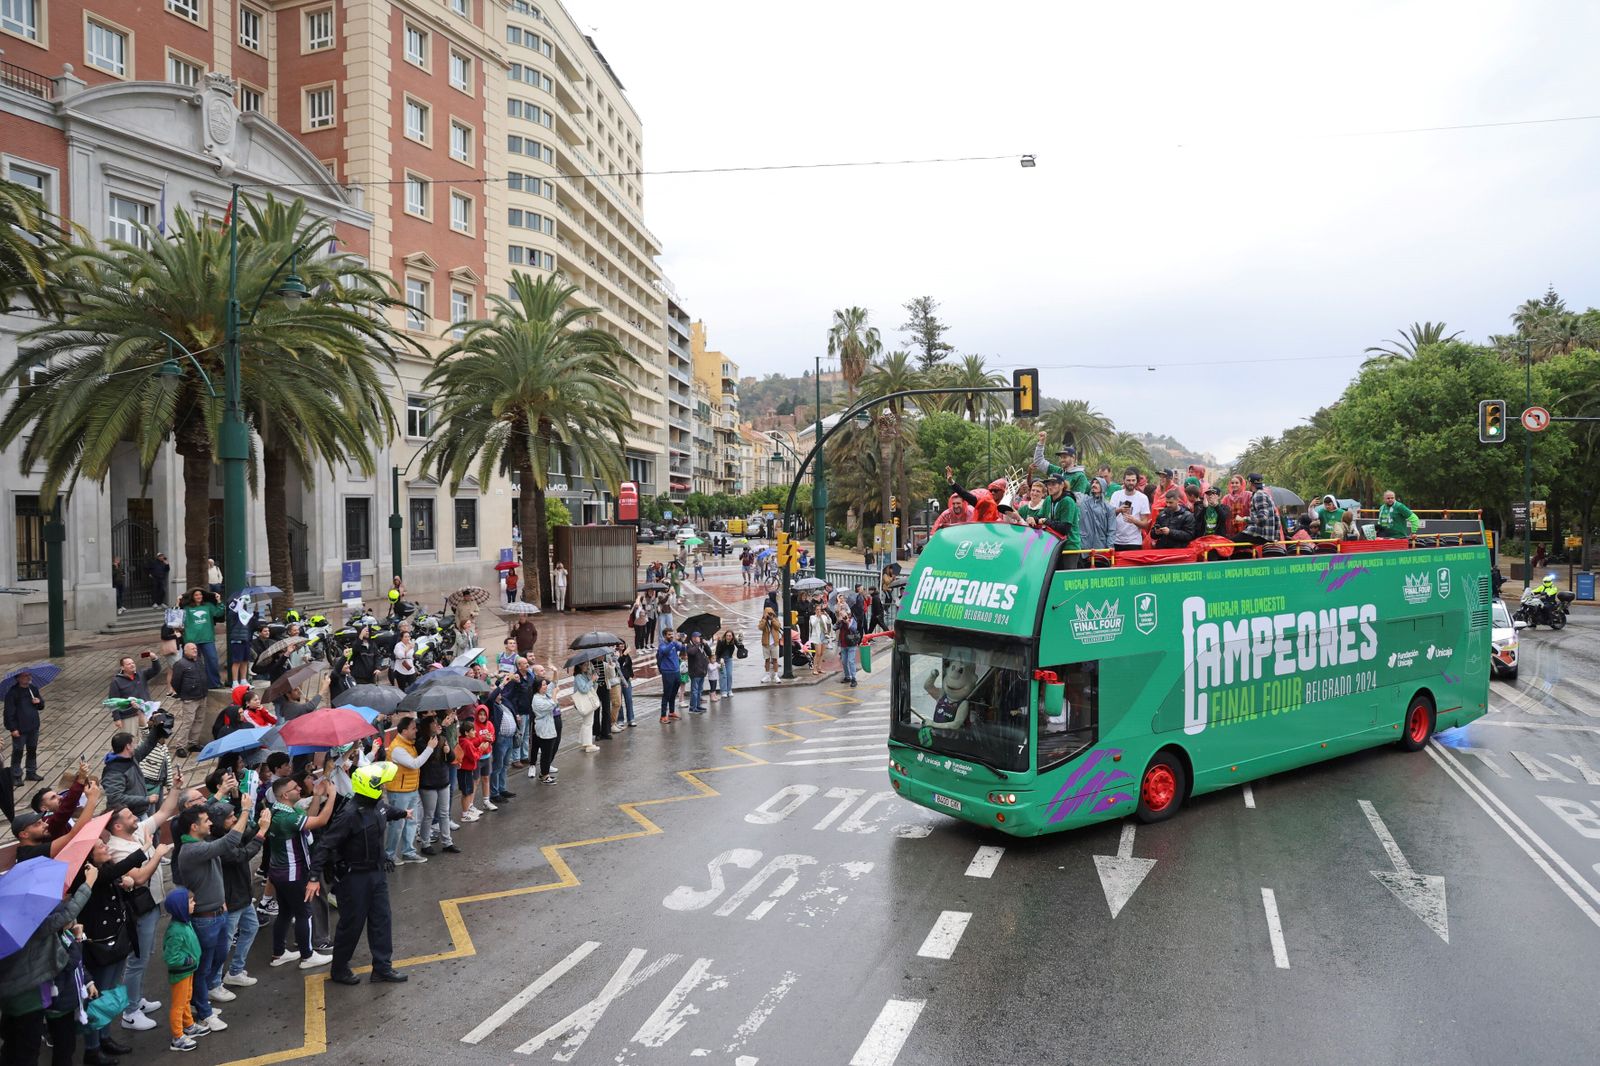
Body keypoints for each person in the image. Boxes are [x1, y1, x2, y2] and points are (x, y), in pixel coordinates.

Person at [307, 761, 412, 987]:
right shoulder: (349, 814)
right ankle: (340, 968)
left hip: (376, 873)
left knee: (382, 919)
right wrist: (314, 878)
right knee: (352, 924)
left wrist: (404, 813)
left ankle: (382, 968)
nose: (383, 789)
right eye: (380, 785)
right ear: (369, 787)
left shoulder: (377, 805)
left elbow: (387, 812)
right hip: (354, 878)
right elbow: (324, 845)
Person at [173, 802, 267, 1033]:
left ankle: (200, 1003)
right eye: (206, 821)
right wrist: (246, 811)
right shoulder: (193, 850)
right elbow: (230, 842)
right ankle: (204, 1013)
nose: (211, 823)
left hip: (217, 912)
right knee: (203, 968)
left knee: (214, 961)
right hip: (205, 920)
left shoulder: (201, 844)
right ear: (194, 827)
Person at [75, 834, 143, 1063]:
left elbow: (114, 887)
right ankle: (92, 1049)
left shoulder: (106, 870)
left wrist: (127, 886)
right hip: (99, 944)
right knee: (98, 997)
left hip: (116, 939)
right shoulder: (90, 875)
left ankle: (105, 1038)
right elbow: (106, 878)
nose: (105, 846)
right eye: (100, 845)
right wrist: (143, 851)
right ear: (89, 855)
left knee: (111, 991)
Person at [266, 774, 338, 966]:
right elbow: (320, 821)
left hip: (279, 873)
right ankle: (307, 955)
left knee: (285, 913)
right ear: (284, 796)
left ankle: (279, 953)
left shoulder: (279, 811)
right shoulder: (286, 818)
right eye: (294, 788)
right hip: (293, 873)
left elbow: (308, 819)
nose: (299, 789)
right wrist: (332, 796)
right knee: (304, 913)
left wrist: (316, 796)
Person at [161, 887, 208, 1052]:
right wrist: (188, 960)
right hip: (181, 972)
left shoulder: (183, 922)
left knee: (186, 999)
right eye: (190, 901)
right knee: (179, 1004)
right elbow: (171, 958)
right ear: (181, 906)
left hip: (187, 971)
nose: (194, 903)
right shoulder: (176, 930)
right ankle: (177, 1036)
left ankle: (188, 1026)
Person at [383, 716, 433, 860]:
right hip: (399, 792)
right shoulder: (398, 747)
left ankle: (408, 852)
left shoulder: (408, 743)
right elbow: (414, 764)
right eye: (413, 728)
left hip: (410, 789)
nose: (416, 730)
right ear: (404, 731)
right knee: (397, 824)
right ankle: (390, 855)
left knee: (411, 822)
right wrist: (430, 748)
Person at [169, 642, 212, 756]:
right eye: (192, 649)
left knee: (199, 720)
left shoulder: (198, 660)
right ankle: (180, 746)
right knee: (188, 722)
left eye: (195, 648)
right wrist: (183, 693)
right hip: (190, 698)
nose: (195, 650)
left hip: (202, 696)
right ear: (185, 650)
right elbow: (175, 682)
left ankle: (193, 743)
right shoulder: (180, 664)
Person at [181, 588, 227, 688]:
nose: (199, 597)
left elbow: (219, 613)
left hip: (207, 638)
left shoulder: (208, 606)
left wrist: (219, 601)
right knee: (193, 663)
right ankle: (197, 684)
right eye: (196, 595)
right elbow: (176, 616)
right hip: (192, 640)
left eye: (200, 594)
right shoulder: (187, 608)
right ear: (192, 597)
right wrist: (177, 602)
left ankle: (214, 683)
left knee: (212, 660)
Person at [4, 669, 42, 786]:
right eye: (25, 676)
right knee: (18, 751)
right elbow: (8, 712)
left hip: (33, 726)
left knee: (32, 750)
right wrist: (12, 728)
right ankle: (16, 775)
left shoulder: (33, 689)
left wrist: (39, 702)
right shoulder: (13, 693)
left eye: (29, 675)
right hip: (20, 728)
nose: (28, 678)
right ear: (18, 678)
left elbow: (41, 706)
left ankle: (31, 772)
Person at [109, 654, 163, 726]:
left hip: (146, 713)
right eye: (128, 664)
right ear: (122, 667)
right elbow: (113, 701)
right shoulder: (116, 681)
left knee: (148, 736)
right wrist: (117, 718)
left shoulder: (141, 674)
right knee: (132, 737)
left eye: (133, 663)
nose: (132, 665)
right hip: (129, 716)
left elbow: (156, 670)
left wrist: (154, 659)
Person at [1107, 468, 1153, 550]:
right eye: (1128, 480)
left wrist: (1134, 520)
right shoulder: (1116, 495)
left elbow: (1145, 525)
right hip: (1116, 540)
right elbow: (1108, 516)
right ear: (1123, 480)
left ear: (1136, 481)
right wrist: (1119, 510)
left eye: (1133, 480)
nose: (1131, 483)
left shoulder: (1143, 498)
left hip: (1134, 542)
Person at [1239, 473, 1285, 551]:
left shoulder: (1258, 495)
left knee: (1229, 544)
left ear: (1250, 483)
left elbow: (1262, 518)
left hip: (1260, 534)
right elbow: (1276, 517)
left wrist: (1243, 519)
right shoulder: (1264, 494)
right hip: (1266, 535)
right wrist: (1275, 536)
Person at [528, 674, 560, 783]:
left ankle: (544, 773)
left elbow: (553, 685)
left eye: (546, 684)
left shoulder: (544, 694)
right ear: (538, 687)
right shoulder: (537, 699)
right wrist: (555, 695)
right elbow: (551, 705)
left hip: (549, 727)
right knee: (546, 753)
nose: (546, 686)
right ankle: (544, 775)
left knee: (548, 751)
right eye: (544, 685)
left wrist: (555, 672)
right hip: (544, 729)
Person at [1077, 476, 1115, 552]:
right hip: (1083, 547)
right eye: (1093, 483)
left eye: (1097, 483)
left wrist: (1109, 548)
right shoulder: (1083, 501)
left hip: (1100, 547)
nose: (1094, 485)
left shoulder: (1109, 508)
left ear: (1103, 486)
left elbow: (1111, 530)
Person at [656, 629, 684, 719]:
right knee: (666, 694)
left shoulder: (674, 643)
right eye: (669, 635)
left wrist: (682, 640)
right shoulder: (662, 645)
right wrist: (673, 642)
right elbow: (665, 652)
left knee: (673, 693)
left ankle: (671, 712)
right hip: (667, 672)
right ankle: (663, 716)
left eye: (672, 634)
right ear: (664, 636)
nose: (671, 636)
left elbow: (683, 648)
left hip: (676, 672)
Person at [685, 631, 710, 714]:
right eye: (698, 637)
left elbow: (709, 653)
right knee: (695, 691)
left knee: (699, 690)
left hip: (702, 671)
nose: (700, 638)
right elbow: (691, 652)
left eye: (700, 637)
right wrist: (698, 645)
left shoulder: (702, 645)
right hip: (695, 672)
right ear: (693, 638)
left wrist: (705, 645)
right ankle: (692, 708)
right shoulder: (689, 645)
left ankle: (698, 705)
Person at [837, 607, 860, 688]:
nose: (842, 616)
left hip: (851, 644)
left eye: (843, 614)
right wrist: (839, 621)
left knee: (851, 661)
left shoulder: (852, 620)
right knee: (844, 661)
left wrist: (847, 623)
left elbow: (854, 629)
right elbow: (834, 628)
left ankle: (854, 679)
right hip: (843, 645)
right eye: (840, 615)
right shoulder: (840, 622)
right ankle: (847, 677)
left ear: (847, 614)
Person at [714, 630, 739, 696]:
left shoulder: (733, 641)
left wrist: (740, 641)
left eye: (730, 636)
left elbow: (740, 647)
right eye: (727, 635)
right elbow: (717, 653)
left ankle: (729, 690)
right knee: (723, 675)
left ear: (732, 636)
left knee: (729, 675)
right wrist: (719, 660)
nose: (728, 637)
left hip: (729, 659)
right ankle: (724, 691)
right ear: (725, 636)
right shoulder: (721, 641)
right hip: (721, 659)